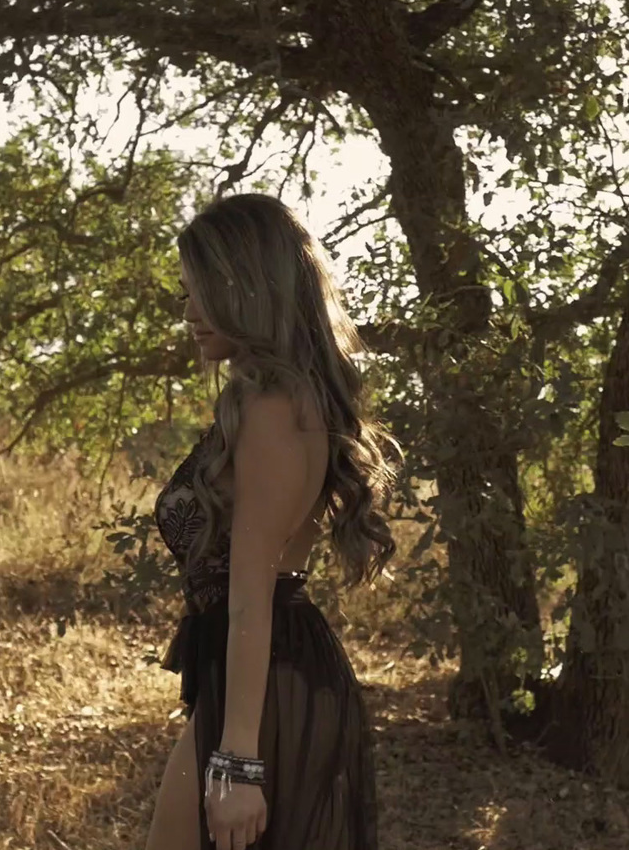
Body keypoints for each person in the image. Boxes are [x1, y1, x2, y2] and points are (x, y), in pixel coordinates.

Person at [143, 193, 400, 850]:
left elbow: (250, 596)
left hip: (268, 675)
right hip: (261, 672)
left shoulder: (273, 407)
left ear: (249, 286)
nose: (190, 311)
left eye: (202, 289)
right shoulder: (278, 400)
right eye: (186, 291)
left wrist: (237, 762)